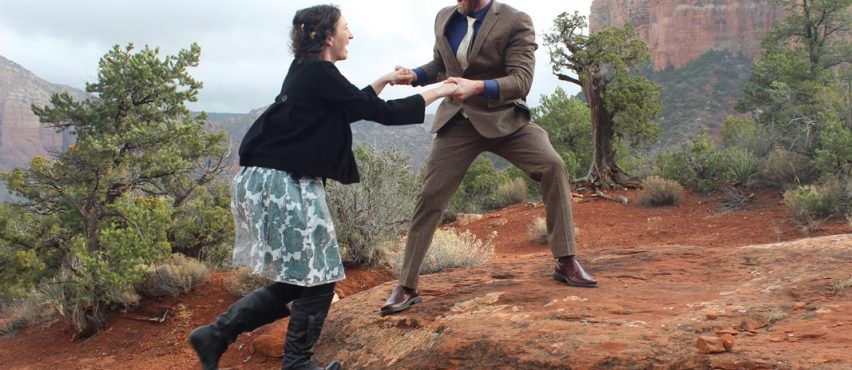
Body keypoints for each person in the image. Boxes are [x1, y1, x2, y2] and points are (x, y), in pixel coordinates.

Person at [187, 5, 457, 370]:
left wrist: (381, 81)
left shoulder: (308, 70)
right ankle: (295, 362)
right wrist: (441, 89)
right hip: (281, 183)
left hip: (274, 181)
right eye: (347, 28)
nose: (352, 35)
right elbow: (383, 114)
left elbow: (349, 107)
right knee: (320, 277)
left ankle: (217, 334)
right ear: (328, 36)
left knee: (306, 279)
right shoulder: (318, 72)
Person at [381, 0, 597, 317]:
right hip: (457, 123)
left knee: (553, 166)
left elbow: (521, 80)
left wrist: (478, 86)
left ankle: (566, 260)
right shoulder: (444, 18)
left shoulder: (515, 21)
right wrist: (413, 75)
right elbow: (442, 66)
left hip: (505, 119)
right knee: (430, 196)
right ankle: (407, 284)